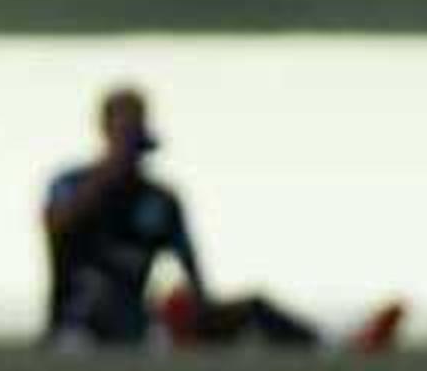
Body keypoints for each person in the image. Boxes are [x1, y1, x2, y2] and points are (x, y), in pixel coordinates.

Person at [40, 86, 398, 354]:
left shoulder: (161, 200)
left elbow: (193, 273)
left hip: (138, 315)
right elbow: (56, 226)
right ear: (105, 130)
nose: (130, 143)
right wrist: (108, 175)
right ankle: (160, 339)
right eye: (123, 130)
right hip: (80, 318)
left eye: (135, 131)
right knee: (100, 298)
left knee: (249, 306)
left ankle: (333, 343)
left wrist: (200, 310)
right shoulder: (68, 183)